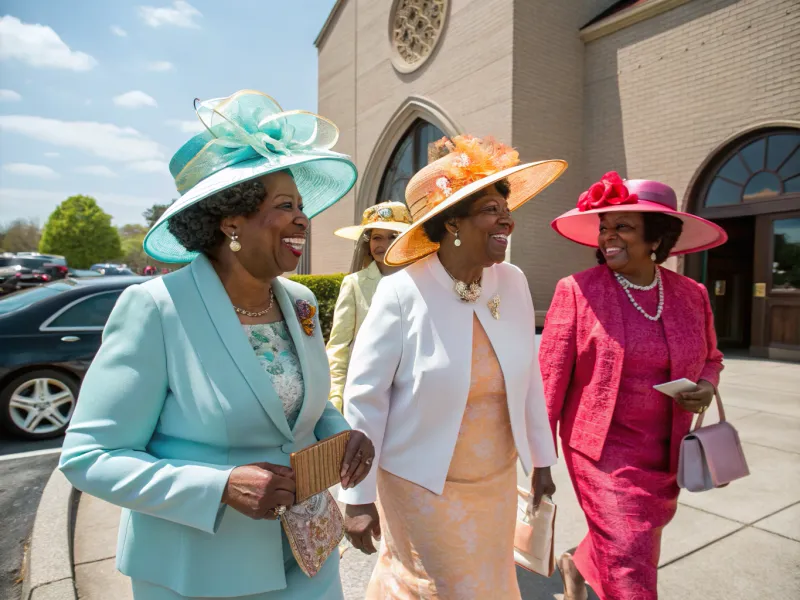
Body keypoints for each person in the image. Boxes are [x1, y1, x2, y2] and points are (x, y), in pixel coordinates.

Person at [58, 90, 375, 600]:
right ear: (231, 222)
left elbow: (303, 412)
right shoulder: (156, 309)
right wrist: (218, 486)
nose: (303, 219)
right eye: (285, 206)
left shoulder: (299, 302)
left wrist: (342, 433)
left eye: (301, 206)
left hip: (310, 557)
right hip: (201, 573)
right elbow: (89, 456)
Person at [339, 135, 568, 599]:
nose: (507, 217)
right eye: (489, 208)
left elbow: (528, 381)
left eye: (504, 206)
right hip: (420, 482)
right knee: (438, 588)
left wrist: (541, 460)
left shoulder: (513, 282)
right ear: (451, 224)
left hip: (496, 480)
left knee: (488, 584)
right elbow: (365, 398)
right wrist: (357, 497)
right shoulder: (402, 290)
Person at [541, 172, 728, 600]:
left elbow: (712, 359)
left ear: (656, 239)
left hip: (667, 449)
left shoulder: (691, 294)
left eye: (623, 227)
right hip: (601, 450)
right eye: (605, 227)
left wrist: (704, 383)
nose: (608, 236)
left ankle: (577, 563)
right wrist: (538, 459)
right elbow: (548, 380)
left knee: (634, 541)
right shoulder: (577, 292)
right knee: (630, 558)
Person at [326, 201, 412, 411]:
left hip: (410, 394)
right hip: (366, 392)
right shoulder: (354, 284)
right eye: (376, 237)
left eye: (393, 236)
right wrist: (335, 397)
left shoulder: (421, 282)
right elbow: (339, 346)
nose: (383, 244)